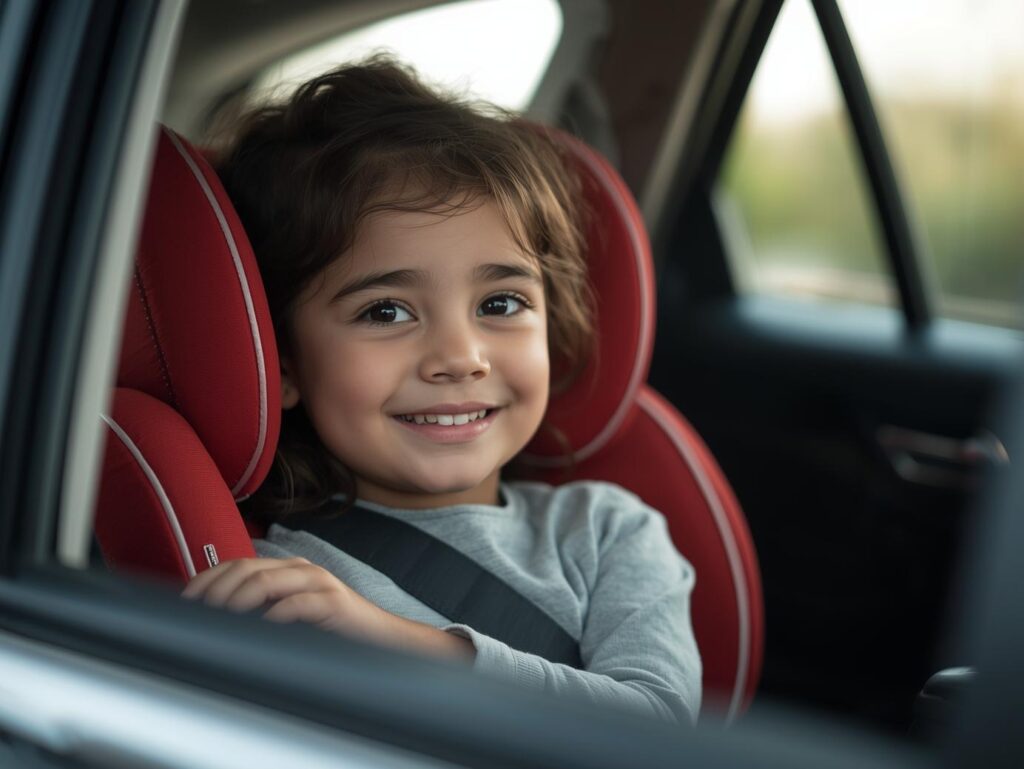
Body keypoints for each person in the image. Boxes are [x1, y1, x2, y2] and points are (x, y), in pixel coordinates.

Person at [181, 57, 701, 725]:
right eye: (386, 311)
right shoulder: (283, 582)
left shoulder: (606, 533)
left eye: (502, 301)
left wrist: (401, 644)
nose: (460, 357)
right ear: (281, 362)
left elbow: (654, 728)